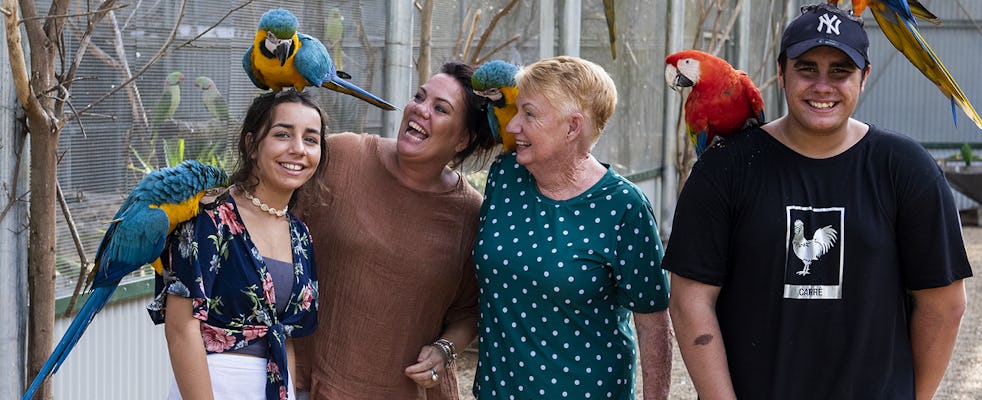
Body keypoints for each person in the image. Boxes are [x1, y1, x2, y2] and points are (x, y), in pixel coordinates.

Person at [662, 3, 971, 399]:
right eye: (807, 68)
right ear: (781, 73)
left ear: (864, 78)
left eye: (840, 71)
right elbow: (689, 298)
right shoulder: (724, 169)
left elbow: (945, 305)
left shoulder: (906, 168)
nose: (822, 85)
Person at [292, 61, 497, 399]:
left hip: (405, 390)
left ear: (463, 139)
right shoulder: (343, 155)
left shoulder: (470, 214)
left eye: (440, 108)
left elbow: (470, 310)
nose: (420, 110)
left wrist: (445, 350)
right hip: (311, 382)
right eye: (420, 97)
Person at [472, 56, 673, 400]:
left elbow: (653, 322)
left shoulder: (624, 207)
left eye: (529, 114)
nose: (512, 126)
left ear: (572, 127)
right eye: (516, 111)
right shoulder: (504, 177)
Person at [148, 89, 328, 400]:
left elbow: (285, 337)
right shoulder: (208, 217)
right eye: (283, 134)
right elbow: (181, 330)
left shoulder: (301, 236)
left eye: (311, 139)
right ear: (251, 145)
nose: (298, 149)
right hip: (214, 385)